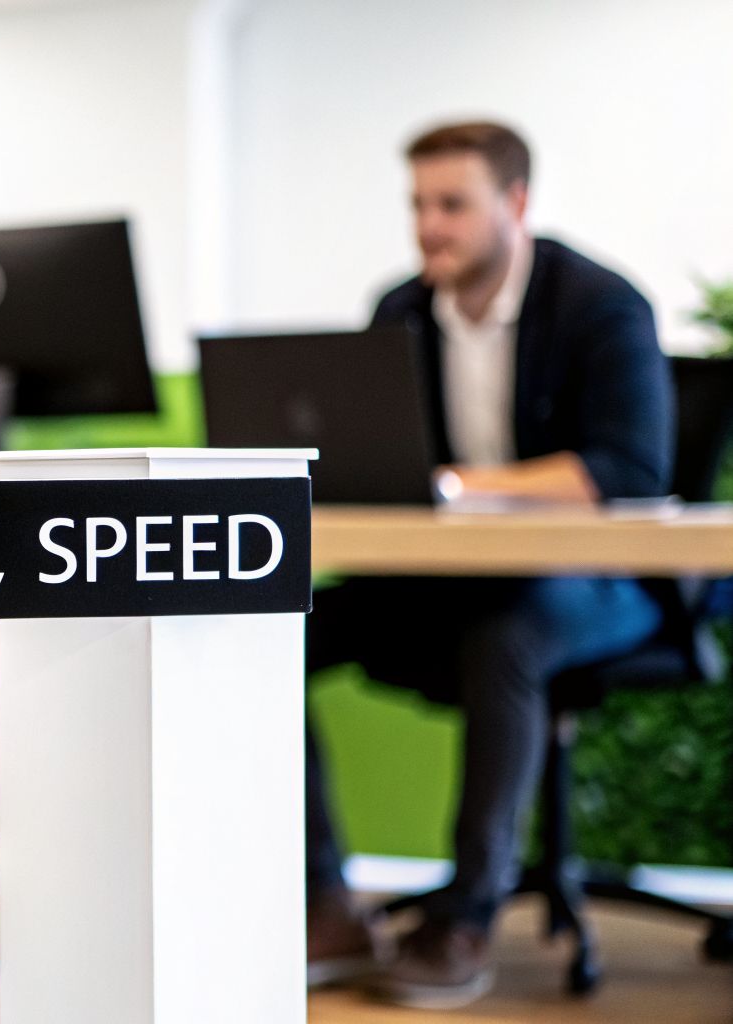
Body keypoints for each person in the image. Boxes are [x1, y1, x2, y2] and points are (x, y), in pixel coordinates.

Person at [304, 122, 673, 1008]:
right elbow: (379, 458)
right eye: (418, 207)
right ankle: (325, 899)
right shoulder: (400, 311)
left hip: (602, 587)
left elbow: (628, 470)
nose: (429, 227)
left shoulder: (600, 305)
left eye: (452, 205)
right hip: (443, 582)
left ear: (514, 204)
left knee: (505, 638)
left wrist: (462, 484)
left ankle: (467, 914)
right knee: (272, 629)